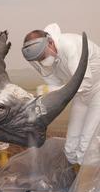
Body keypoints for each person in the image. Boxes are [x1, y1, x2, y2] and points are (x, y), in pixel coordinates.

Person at [21, 23, 100, 172]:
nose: (42, 61)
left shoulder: (70, 45)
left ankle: (89, 187)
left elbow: (85, 83)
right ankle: (75, 178)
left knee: (87, 144)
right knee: (71, 147)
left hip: (97, 91)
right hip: (80, 96)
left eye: (42, 56)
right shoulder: (50, 56)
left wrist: (48, 90)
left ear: (50, 42)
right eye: (38, 59)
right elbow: (57, 86)